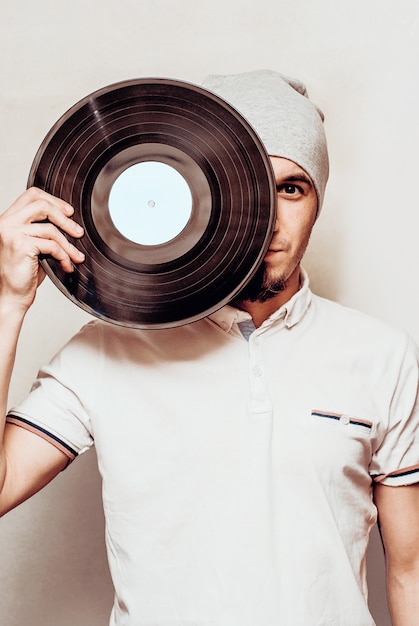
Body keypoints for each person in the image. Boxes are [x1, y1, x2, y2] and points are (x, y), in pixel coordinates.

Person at [0, 69, 419, 626]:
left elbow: (409, 572)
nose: (266, 215)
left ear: (318, 204)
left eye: (291, 188)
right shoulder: (103, 351)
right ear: (203, 200)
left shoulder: (382, 355)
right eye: (245, 186)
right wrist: (8, 302)